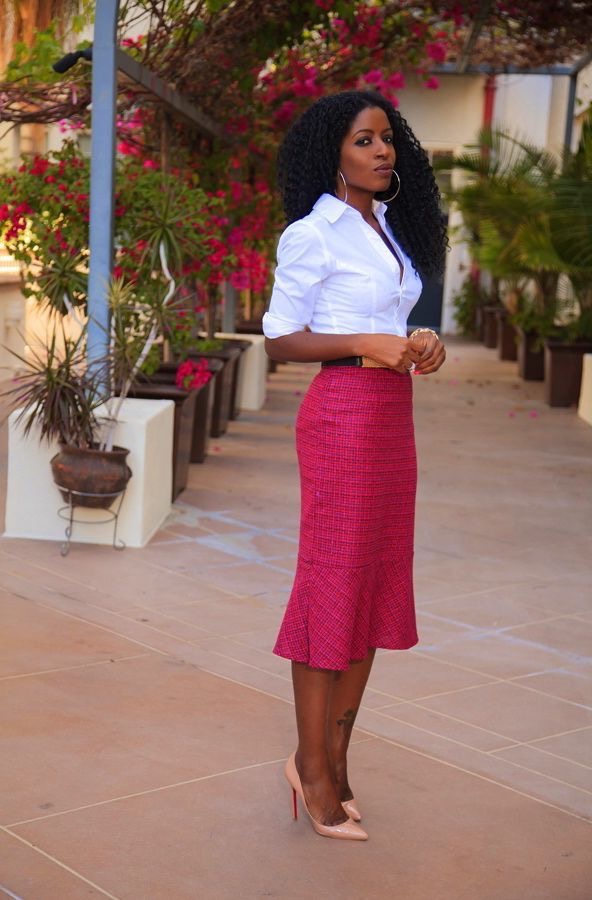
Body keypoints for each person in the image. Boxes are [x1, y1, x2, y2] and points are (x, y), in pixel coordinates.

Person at [262, 90, 447, 841]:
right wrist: (365, 344)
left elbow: (386, 320)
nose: (382, 150)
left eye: (387, 138)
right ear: (333, 153)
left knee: (371, 582)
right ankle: (310, 767)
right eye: (365, 139)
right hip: (342, 415)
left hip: (392, 416)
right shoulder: (314, 233)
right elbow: (282, 337)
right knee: (334, 580)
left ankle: (336, 761)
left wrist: (418, 340)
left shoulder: (389, 228)